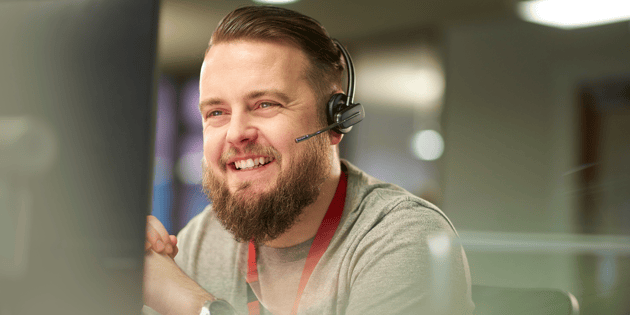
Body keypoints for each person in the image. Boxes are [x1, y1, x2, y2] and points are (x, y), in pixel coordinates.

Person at [143, 5, 474, 315]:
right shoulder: (204, 237)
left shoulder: (403, 237)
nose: (236, 134)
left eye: (265, 104)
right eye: (216, 112)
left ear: (335, 120)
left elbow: (179, 298)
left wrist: (192, 304)